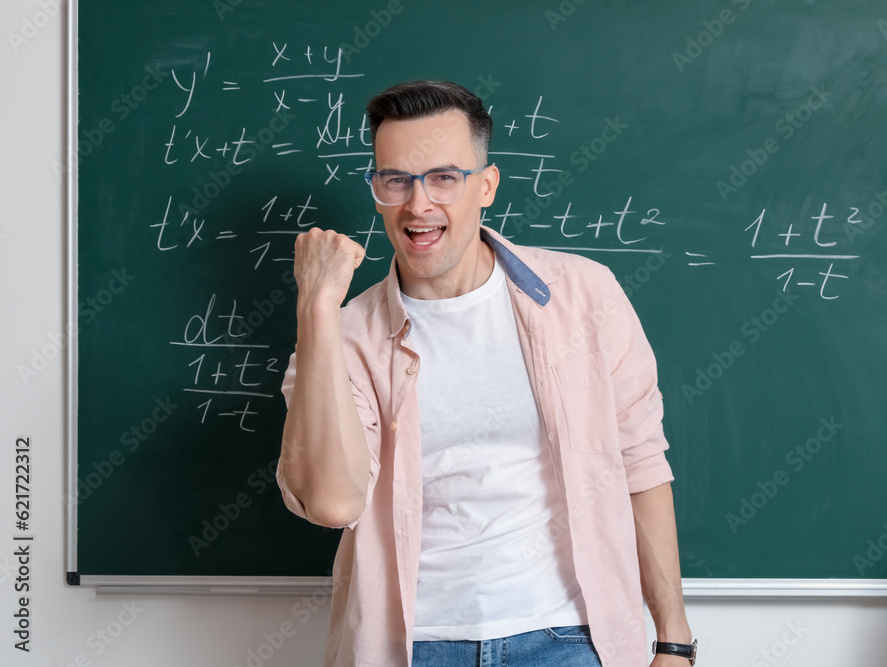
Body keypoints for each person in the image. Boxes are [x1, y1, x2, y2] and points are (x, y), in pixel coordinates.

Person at [277, 80, 694, 667]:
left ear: (487, 186)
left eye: (444, 178)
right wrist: (316, 309)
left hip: (572, 639)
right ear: (376, 191)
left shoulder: (583, 294)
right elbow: (332, 502)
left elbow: (641, 463)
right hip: (413, 645)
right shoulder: (344, 337)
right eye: (395, 179)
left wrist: (674, 642)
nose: (418, 204)